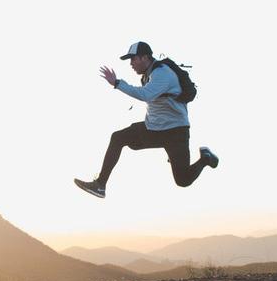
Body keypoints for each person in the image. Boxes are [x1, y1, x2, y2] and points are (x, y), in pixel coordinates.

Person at [74, 41, 219, 198]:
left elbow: (145, 95)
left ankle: (205, 158)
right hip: (154, 129)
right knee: (118, 137)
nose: (131, 64)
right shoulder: (148, 74)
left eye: (133, 59)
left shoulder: (162, 73)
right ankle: (100, 185)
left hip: (175, 132)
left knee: (183, 180)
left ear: (145, 58)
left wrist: (117, 83)